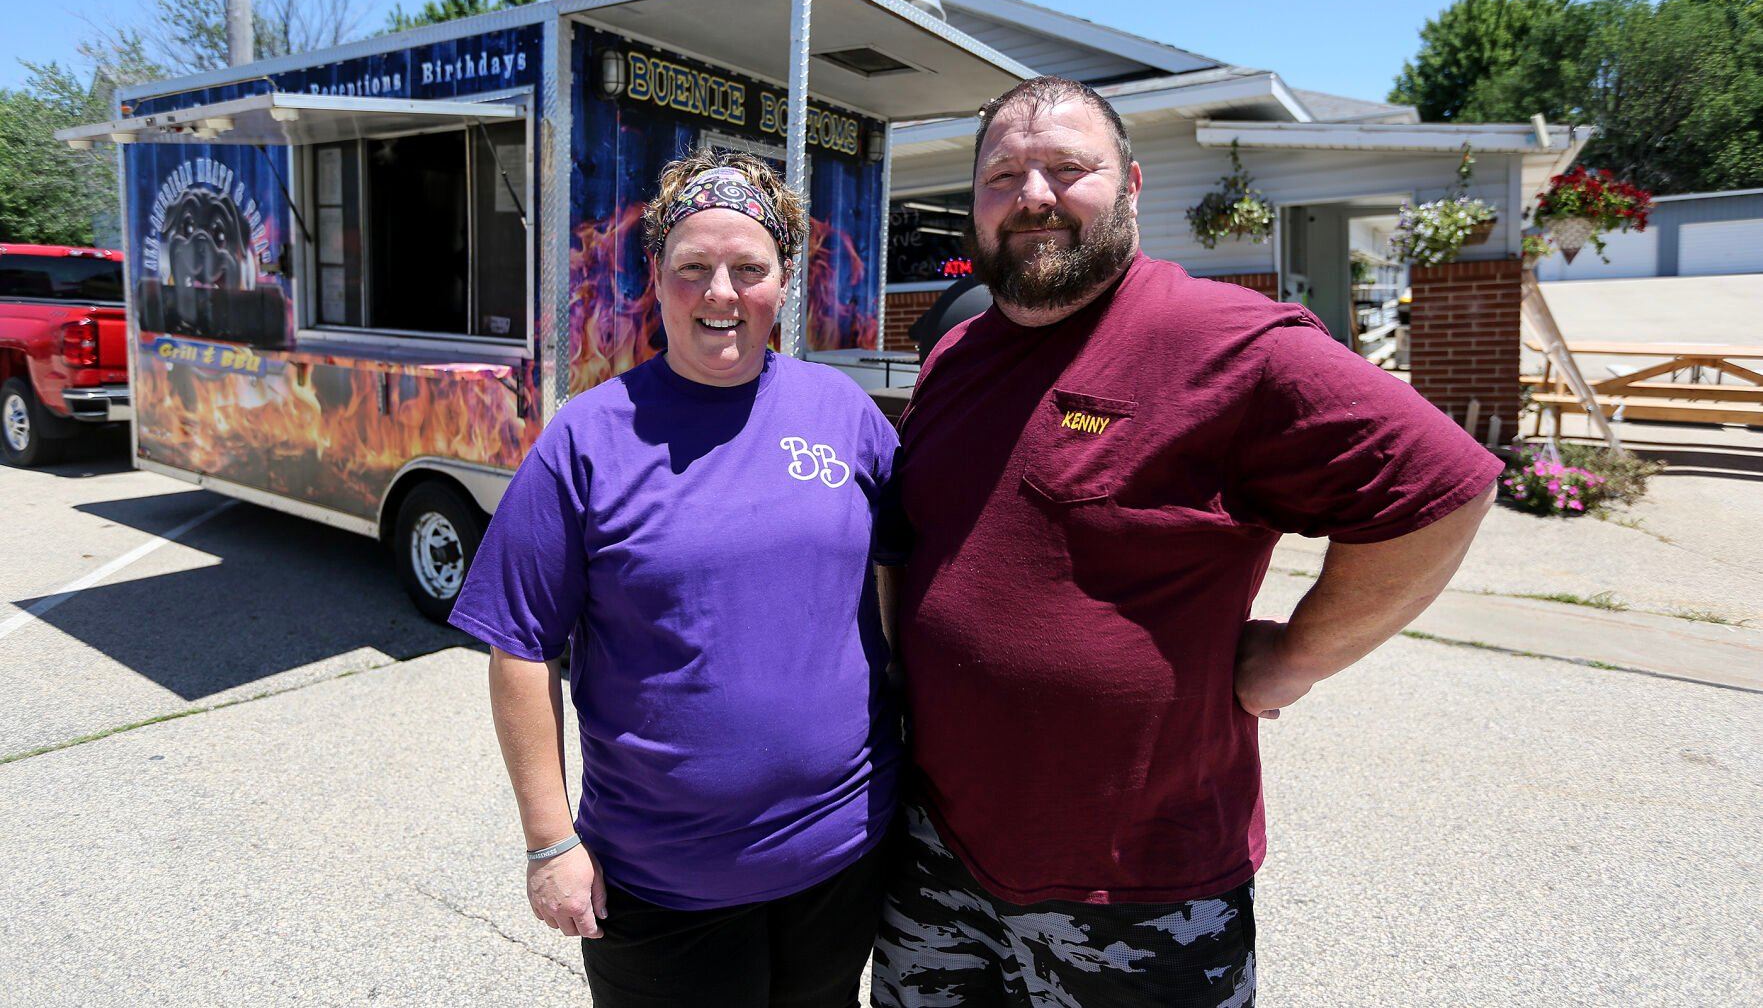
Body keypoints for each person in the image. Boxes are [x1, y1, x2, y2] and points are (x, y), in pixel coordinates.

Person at [871, 77, 1501, 1007]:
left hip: (1137, 888)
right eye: (1002, 175)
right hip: (935, 857)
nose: (1033, 195)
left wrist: (1296, 656)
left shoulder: (1228, 342)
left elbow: (1440, 487)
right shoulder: (957, 355)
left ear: (1128, 185)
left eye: (1066, 169)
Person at [448, 149, 901, 1007]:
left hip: (841, 859)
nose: (721, 294)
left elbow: (896, 578)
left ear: (784, 281)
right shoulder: (588, 439)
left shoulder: (842, 415)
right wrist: (549, 844)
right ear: (655, 280)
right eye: (692, 269)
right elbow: (520, 648)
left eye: (748, 268)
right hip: (663, 886)